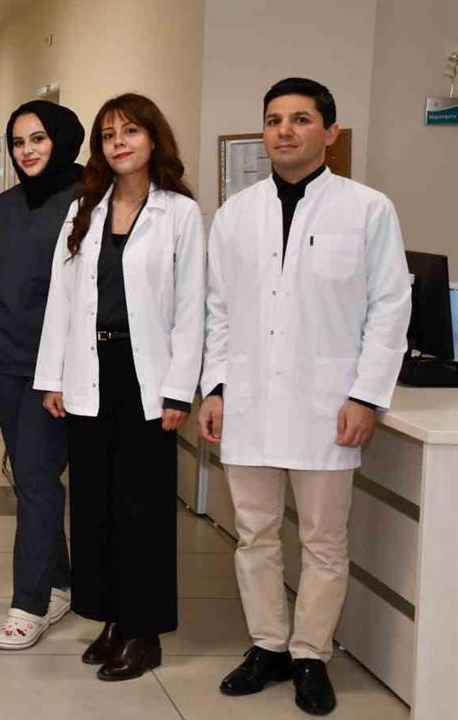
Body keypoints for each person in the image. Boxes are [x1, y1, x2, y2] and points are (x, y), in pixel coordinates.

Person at [199, 77, 410, 716]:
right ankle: (268, 645)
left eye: (299, 119)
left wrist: (366, 395)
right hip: (249, 401)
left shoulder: (367, 209)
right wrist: (216, 387)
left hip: (328, 405)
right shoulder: (236, 214)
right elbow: (217, 309)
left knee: (323, 540)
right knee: (254, 534)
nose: (284, 131)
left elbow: (390, 307)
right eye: (273, 120)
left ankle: (311, 653)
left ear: (330, 132)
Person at [34, 93, 204, 681]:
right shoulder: (85, 210)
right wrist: (52, 377)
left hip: (145, 374)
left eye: (130, 131)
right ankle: (110, 616)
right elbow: (61, 299)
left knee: (143, 506)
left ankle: (144, 630)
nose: (119, 143)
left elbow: (191, 308)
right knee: (94, 504)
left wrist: (179, 390)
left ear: (153, 139)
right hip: (90, 369)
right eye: (108, 135)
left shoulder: (180, 213)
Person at [0, 101, 84, 650]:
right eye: (18, 141)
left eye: (38, 138)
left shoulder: (90, 201)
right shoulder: (2, 207)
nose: (27, 150)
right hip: (7, 360)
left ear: (62, 140)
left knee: (40, 479)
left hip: (59, 368)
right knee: (28, 475)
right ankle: (61, 581)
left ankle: (30, 603)